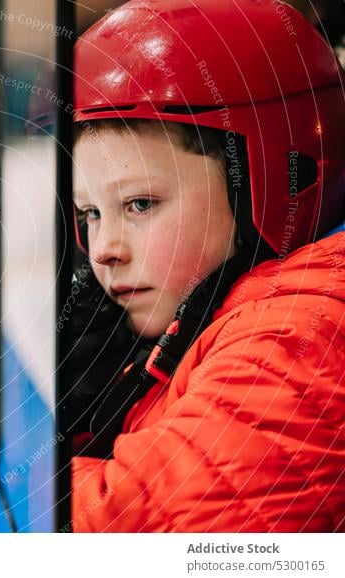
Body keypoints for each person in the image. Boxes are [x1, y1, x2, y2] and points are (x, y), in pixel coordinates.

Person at [66, 0, 345, 532]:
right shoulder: (217, 312)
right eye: (90, 214)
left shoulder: (303, 337)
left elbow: (132, 529)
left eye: (140, 204)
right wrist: (90, 416)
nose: (102, 249)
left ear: (272, 180)